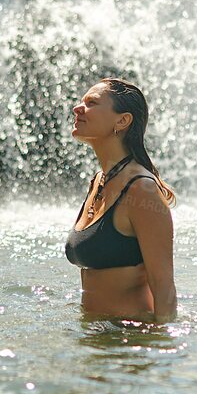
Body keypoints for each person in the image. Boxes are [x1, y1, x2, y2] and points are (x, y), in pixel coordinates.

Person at [65, 76, 177, 323]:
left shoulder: (141, 190)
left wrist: (160, 346)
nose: (77, 108)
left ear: (122, 120)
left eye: (92, 103)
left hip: (132, 338)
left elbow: (163, 285)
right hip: (98, 337)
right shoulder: (98, 181)